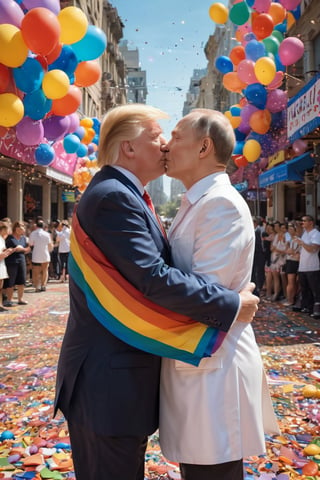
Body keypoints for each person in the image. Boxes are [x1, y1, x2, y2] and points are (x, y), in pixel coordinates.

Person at [54, 104, 259, 480]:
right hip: (108, 383)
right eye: (158, 136)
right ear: (129, 148)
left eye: (174, 137)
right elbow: (152, 276)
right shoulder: (116, 196)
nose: (165, 145)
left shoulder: (137, 196)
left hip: (156, 376)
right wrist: (232, 304)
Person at [159, 109, 279, 480]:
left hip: (212, 364)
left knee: (213, 470)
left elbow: (205, 295)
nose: (166, 144)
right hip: (197, 361)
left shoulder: (220, 204)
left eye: (176, 136)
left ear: (204, 147)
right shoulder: (199, 201)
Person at [295, 215, 320, 317]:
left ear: (311, 222)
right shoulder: (305, 233)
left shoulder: (316, 234)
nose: (302, 223)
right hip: (303, 266)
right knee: (305, 288)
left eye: (304, 221)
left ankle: (317, 310)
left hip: (312, 266)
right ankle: (307, 307)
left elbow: (313, 249)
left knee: (314, 289)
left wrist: (302, 243)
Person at [28, 219, 53, 292]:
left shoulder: (33, 233)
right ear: (43, 226)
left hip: (36, 254)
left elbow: (31, 244)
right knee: (45, 270)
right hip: (45, 253)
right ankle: (43, 285)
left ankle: (37, 286)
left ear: (36, 226)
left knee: (36, 271)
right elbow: (50, 244)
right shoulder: (47, 234)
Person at [0, 222, 13, 312]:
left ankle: (0, 304)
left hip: (1, 264)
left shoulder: (2, 239)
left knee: (1, 286)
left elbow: (2, 250)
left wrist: (7, 251)